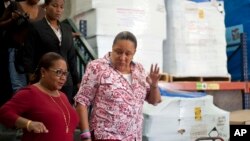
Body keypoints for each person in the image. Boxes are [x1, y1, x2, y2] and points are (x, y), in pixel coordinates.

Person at [74, 31, 162, 141]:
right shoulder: (97, 67)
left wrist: (154, 85)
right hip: (106, 136)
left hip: (133, 137)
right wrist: (85, 136)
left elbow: (155, 100)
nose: (122, 57)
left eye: (128, 54)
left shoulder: (139, 69)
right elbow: (82, 102)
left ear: (134, 53)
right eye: (118, 52)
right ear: (112, 47)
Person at [0, 52, 79, 141]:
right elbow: (4, 112)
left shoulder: (63, 96)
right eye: (59, 72)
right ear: (43, 72)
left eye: (65, 73)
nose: (63, 78)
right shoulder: (30, 93)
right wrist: (28, 124)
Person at [23, 0, 80, 104]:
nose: (58, 10)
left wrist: (77, 81)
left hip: (66, 81)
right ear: (46, 6)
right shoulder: (36, 27)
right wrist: (31, 76)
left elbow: (71, 57)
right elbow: (29, 54)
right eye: (55, 6)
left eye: (61, 7)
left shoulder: (67, 29)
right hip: (45, 80)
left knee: (64, 112)